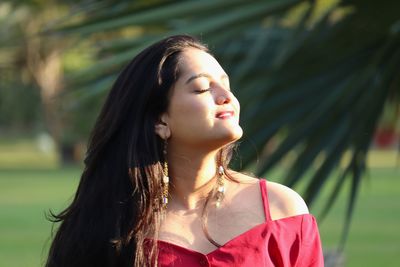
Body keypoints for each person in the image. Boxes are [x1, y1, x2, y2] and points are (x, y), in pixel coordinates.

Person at [46, 35, 324, 267]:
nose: (226, 96)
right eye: (203, 88)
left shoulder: (281, 211)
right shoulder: (110, 227)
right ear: (160, 120)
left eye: (226, 85)